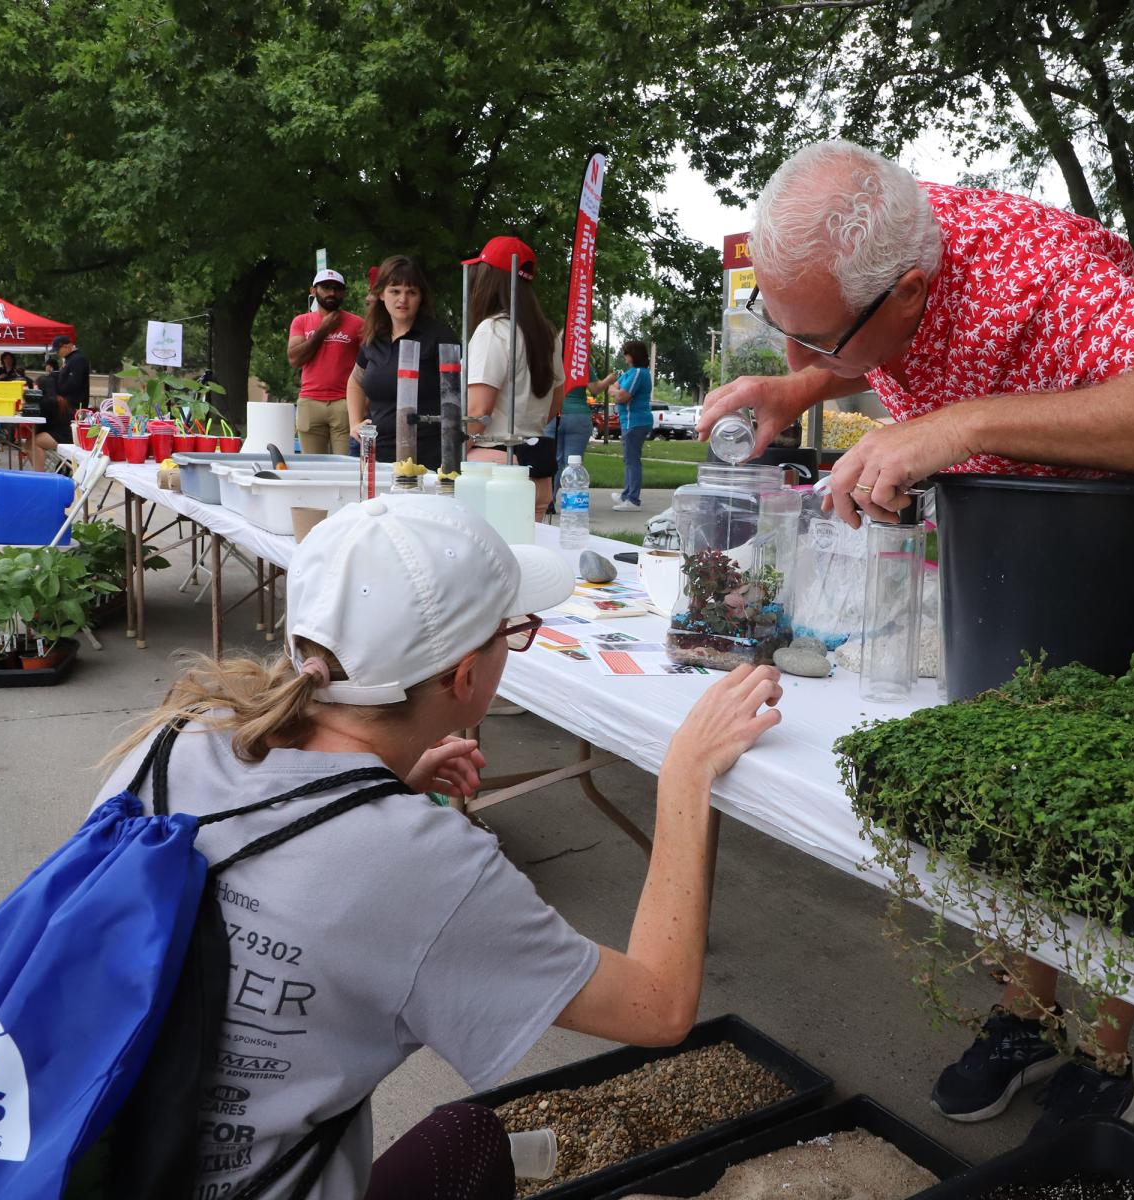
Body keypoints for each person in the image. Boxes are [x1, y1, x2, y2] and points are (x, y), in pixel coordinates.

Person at [699, 140, 1134, 1138]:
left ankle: (1106, 1051)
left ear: (911, 293)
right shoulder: (873, 255)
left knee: (1107, 806)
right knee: (1008, 784)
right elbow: (851, 358)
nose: (798, 357)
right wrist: (800, 391)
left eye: (816, 343)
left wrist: (966, 425)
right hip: (1027, 545)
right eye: (778, 326)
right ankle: (1024, 1011)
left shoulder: (1041, 275)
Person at [91, 494, 784, 1198]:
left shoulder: (179, 737)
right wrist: (683, 780)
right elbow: (659, 1008)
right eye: (511, 634)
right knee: (472, 1140)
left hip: (88, 1158)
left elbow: (277, 851)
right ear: (464, 676)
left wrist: (378, 786)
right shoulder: (422, 863)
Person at [463, 236, 564, 517]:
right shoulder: (546, 335)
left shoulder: (493, 330)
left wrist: (449, 457)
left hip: (493, 469)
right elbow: (556, 402)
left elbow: (476, 411)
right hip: (536, 470)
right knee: (527, 558)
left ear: (487, 278)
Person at [347, 255, 460, 468]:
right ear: (380, 293)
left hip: (426, 460)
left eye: (411, 292)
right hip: (376, 457)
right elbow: (355, 381)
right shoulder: (372, 338)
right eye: (395, 291)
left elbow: (460, 396)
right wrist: (354, 423)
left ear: (421, 297)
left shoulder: (440, 337)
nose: (403, 300)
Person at [288, 268, 363, 454]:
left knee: (346, 468)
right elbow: (295, 359)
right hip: (309, 400)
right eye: (326, 287)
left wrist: (364, 402)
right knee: (313, 468)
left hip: (344, 403)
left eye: (337, 288)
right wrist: (323, 330)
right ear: (313, 291)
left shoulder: (358, 323)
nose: (331, 293)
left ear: (344, 293)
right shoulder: (301, 321)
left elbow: (368, 365)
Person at [607, 340, 653, 511]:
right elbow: (614, 388)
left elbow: (622, 396)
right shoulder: (630, 373)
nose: (624, 356)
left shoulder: (639, 373)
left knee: (632, 460)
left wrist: (616, 392)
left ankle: (633, 500)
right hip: (630, 422)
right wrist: (615, 391)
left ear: (632, 355)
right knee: (629, 459)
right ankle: (626, 494)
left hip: (636, 422)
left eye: (626, 353)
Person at [50, 333, 91, 419]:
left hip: (75, 405)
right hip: (68, 404)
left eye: (58, 350)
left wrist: (57, 390)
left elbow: (74, 383)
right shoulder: (69, 359)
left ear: (67, 346)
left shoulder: (77, 359)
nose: (57, 353)